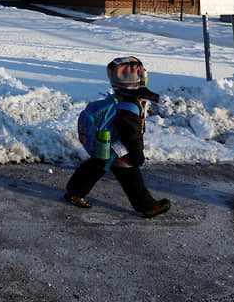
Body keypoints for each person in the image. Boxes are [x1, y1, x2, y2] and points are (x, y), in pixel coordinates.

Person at [63, 56, 171, 218]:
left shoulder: (121, 96)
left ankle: (74, 192)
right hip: (119, 148)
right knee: (131, 177)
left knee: (95, 165)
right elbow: (131, 135)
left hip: (105, 143)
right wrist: (137, 154)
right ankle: (147, 207)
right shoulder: (130, 106)